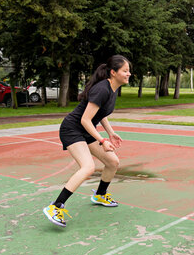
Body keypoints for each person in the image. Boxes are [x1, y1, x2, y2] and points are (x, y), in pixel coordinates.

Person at [43, 55, 132, 227]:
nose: (129, 74)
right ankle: (55, 207)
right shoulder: (102, 89)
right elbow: (85, 119)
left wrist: (111, 133)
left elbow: (101, 114)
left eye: (129, 71)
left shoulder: (112, 89)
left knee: (112, 162)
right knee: (88, 167)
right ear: (113, 72)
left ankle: (100, 194)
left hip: (85, 130)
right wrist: (102, 140)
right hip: (72, 130)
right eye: (125, 71)